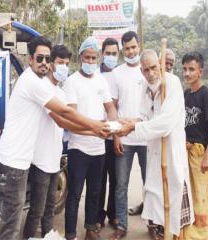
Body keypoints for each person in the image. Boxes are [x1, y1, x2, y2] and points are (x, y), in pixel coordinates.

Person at [0, 36, 109, 240]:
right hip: (13, 163)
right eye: (40, 58)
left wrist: (95, 129)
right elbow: (64, 114)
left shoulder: (44, 84)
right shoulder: (32, 82)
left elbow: (64, 117)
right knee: (12, 226)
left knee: (31, 216)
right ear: (30, 59)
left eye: (48, 59)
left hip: (22, 162)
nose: (44, 63)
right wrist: (95, 126)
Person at [116, 49, 194, 240]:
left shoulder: (172, 84)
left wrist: (134, 127)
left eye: (153, 68)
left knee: (175, 214)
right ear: (141, 71)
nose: (150, 73)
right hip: (155, 154)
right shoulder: (145, 86)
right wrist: (130, 121)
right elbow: (144, 116)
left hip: (171, 155)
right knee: (158, 210)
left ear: (160, 65)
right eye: (146, 70)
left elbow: (165, 124)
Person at [63, 36, 121, 240]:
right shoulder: (71, 82)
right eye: (87, 57)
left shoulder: (101, 80)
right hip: (78, 147)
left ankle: (90, 229)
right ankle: (70, 233)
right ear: (80, 57)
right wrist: (94, 129)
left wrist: (112, 126)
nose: (90, 62)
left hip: (98, 148)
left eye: (93, 58)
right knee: (75, 194)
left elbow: (111, 108)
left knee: (95, 192)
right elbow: (72, 115)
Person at [22, 44, 75, 239]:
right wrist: (93, 128)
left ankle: (47, 236)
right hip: (40, 160)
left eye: (67, 64)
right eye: (61, 63)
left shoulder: (61, 93)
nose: (64, 67)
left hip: (54, 159)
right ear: (51, 64)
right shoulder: (43, 88)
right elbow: (61, 118)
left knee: (50, 208)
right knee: (37, 209)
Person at [110, 31, 147, 239]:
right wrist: (116, 135)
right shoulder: (117, 73)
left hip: (146, 137)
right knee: (120, 185)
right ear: (123, 50)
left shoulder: (148, 69)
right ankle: (122, 226)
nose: (131, 51)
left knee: (149, 183)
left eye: (133, 47)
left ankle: (152, 223)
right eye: (127, 48)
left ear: (139, 45)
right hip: (124, 138)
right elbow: (113, 107)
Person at [181, 51, 208, 239]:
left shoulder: (207, 95)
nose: (187, 73)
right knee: (186, 196)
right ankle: (187, 234)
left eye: (191, 69)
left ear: (200, 72)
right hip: (185, 151)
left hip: (199, 153)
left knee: (201, 197)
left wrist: (207, 156)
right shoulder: (186, 93)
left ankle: (202, 236)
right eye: (185, 69)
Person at [96, 38, 121, 231]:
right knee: (99, 179)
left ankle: (113, 214)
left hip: (116, 135)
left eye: (114, 53)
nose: (111, 56)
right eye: (108, 53)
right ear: (102, 53)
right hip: (97, 135)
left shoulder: (120, 75)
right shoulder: (95, 75)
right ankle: (98, 216)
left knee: (115, 178)